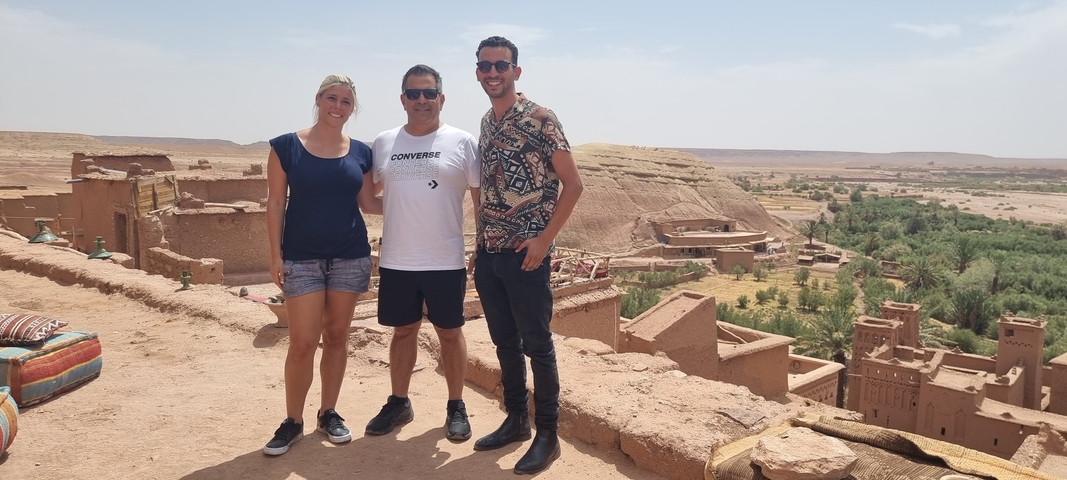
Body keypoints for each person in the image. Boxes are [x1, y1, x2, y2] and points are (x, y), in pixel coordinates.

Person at [469, 36, 584, 475]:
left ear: (516, 71)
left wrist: (543, 240)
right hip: (491, 253)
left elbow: (573, 186)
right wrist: (479, 244)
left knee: (537, 345)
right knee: (503, 342)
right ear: (477, 72)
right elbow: (490, 189)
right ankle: (516, 420)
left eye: (500, 65)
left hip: (526, 255)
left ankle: (548, 434)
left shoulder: (541, 119)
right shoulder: (486, 122)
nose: (492, 73)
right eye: (484, 66)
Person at [262, 74, 380, 456]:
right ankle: (292, 421)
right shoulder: (285, 147)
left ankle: (328, 412)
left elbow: (369, 203)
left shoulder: (361, 151)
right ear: (318, 99)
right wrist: (276, 255)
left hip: (350, 255)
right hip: (301, 257)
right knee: (301, 343)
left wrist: (422, 192)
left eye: (346, 102)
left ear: (352, 108)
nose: (338, 106)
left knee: (336, 337)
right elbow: (276, 203)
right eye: (332, 98)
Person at [364, 64, 480, 441]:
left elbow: (480, 202)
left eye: (429, 93)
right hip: (398, 259)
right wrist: (401, 208)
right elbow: (368, 199)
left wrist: (482, 245)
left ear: (441, 98)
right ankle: (399, 402)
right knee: (403, 331)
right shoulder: (383, 142)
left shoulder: (462, 142)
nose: (421, 100)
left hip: (445, 259)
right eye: (413, 93)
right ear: (403, 100)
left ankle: (455, 406)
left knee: (450, 332)